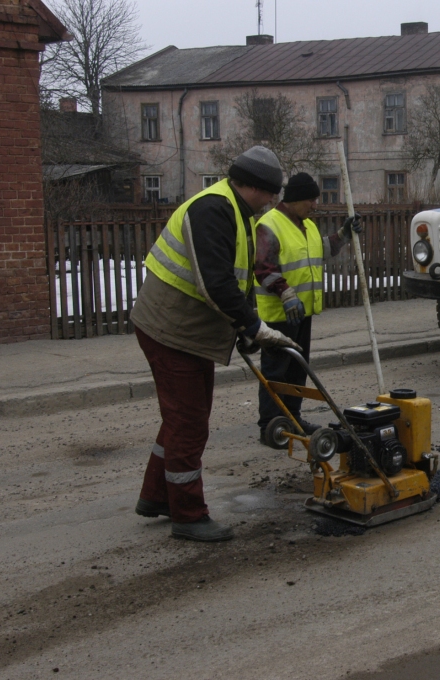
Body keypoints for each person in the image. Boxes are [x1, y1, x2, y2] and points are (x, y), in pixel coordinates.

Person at [131, 145, 300, 542]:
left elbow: (234, 279)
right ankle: (188, 515)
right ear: (256, 187)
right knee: (189, 423)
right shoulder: (212, 210)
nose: (273, 201)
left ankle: (157, 496)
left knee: (180, 419)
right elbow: (215, 284)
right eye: (271, 193)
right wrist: (253, 325)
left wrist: (241, 327)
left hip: (187, 330)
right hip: (171, 329)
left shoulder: (237, 212)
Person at [252, 172, 362, 443]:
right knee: (276, 372)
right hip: (279, 314)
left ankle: (293, 418)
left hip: (302, 312)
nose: (315, 205)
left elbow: (322, 249)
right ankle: (271, 427)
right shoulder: (270, 225)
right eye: (312, 200)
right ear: (296, 199)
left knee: (297, 370)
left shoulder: (307, 226)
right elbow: (263, 267)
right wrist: (285, 292)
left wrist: (343, 234)